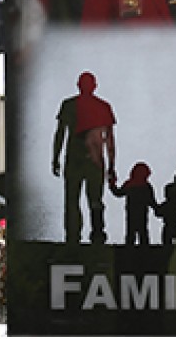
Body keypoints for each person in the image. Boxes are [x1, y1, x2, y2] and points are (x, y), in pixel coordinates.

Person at [52, 72, 117, 244]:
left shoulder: (69, 105)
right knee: (94, 200)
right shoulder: (103, 106)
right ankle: (96, 235)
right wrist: (111, 165)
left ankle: (73, 238)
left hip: (75, 158)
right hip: (94, 161)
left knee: (72, 200)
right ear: (94, 86)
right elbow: (109, 139)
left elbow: (60, 134)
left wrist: (55, 157)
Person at [109, 162, 158, 245]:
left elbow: (118, 193)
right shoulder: (146, 187)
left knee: (131, 232)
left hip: (132, 212)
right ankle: (144, 250)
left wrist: (112, 184)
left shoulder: (130, 184)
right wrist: (158, 209)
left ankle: (129, 250)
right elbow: (152, 202)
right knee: (142, 232)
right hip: (141, 213)